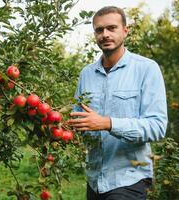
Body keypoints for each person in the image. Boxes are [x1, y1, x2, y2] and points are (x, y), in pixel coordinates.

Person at [67, 6, 168, 200]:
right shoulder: (86, 74)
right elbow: (77, 119)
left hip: (129, 179)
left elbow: (157, 126)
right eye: (99, 30)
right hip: (94, 180)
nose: (105, 34)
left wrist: (108, 123)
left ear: (125, 30)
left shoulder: (146, 69)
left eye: (111, 28)